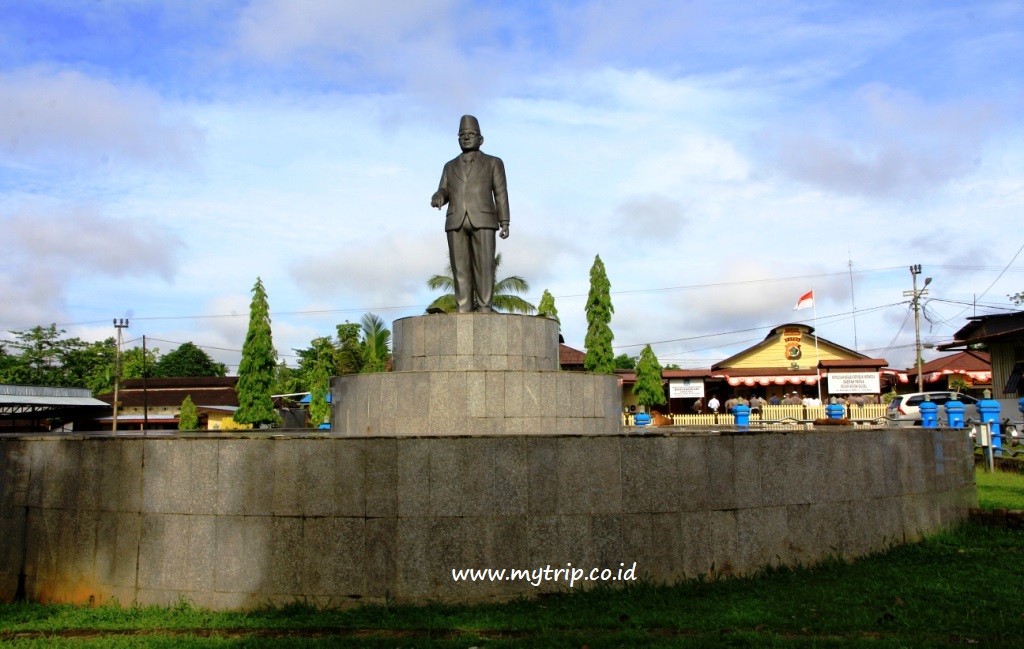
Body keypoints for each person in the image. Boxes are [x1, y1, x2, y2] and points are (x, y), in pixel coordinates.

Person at [430, 115, 510, 313]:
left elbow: (500, 193)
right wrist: (438, 196)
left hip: (483, 219)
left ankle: (484, 307)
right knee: (460, 269)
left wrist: (504, 221)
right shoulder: (449, 166)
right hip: (455, 220)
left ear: (480, 139)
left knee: (484, 267)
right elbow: (444, 190)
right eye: (462, 135)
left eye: (471, 134)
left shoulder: (493, 163)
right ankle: (463, 307)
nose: (466, 138)